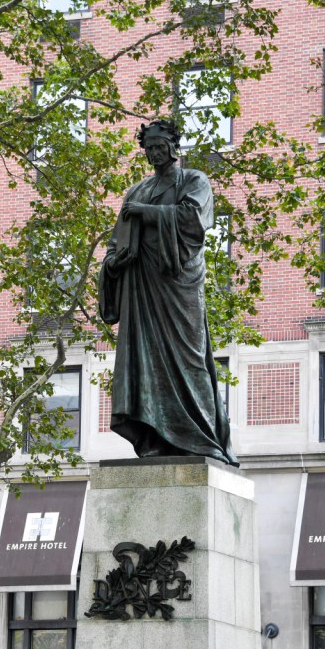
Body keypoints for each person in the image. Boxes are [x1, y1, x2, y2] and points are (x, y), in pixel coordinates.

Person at [98, 119, 237, 466]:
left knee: (190, 358)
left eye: (161, 146)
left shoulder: (194, 181)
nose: (155, 152)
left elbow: (193, 220)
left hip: (178, 283)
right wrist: (113, 264)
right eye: (149, 148)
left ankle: (205, 439)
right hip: (140, 287)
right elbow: (117, 242)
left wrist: (146, 213)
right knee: (145, 361)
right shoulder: (137, 190)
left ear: (175, 147)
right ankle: (157, 437)